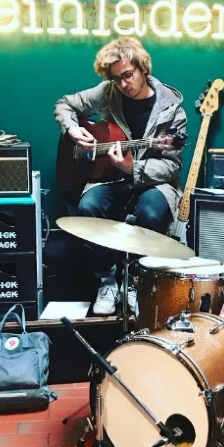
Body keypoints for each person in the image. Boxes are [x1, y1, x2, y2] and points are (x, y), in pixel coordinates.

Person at [54, 38, 187, 315]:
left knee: (152, 212)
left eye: (128, 75)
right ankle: (107, 281)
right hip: (109, 178)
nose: (123, 84)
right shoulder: (109, 91)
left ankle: (135, 282)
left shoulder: (172, 109)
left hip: (153, 182)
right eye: (116, 79)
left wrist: (131, 167)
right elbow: (65, 105)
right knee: (88, 206)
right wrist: (73, 130)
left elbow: (170, 167)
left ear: (143, 68)